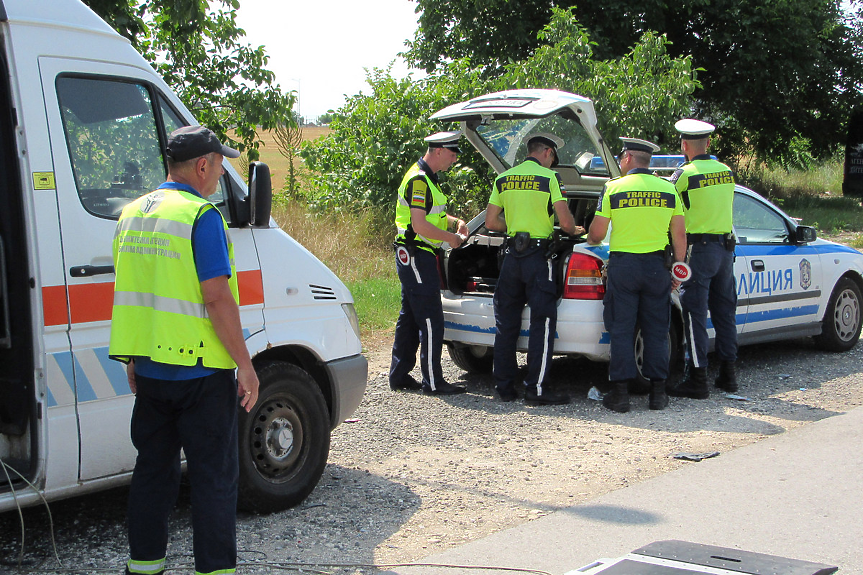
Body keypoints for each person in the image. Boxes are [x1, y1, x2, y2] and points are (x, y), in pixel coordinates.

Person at [109, 125, 260, 575]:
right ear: (201, 165)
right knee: (213, 480)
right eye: (219, 165)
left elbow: (138, 293)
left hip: (151, 374)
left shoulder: (131, 214)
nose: (219, 174)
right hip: (200, 374)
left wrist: (135, 358)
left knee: (153, 474)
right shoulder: (200, 216)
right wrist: (246, 366)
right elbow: (216, 298)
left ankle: (145, 566)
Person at [587, 137, 686, 412]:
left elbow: (596, 234)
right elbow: (679, 235)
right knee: (656, 330)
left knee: (621, 329)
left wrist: (590, 237)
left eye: (621, 157)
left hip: (624, 268)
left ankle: (620, 395)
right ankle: (657, 394)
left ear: (629, 157)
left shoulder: (613, 188)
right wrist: (679, 269)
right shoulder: (668, 190)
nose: (620, 162)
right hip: (657, 268)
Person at [485, 133, 580, 405]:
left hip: (512, 257)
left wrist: (515, 227)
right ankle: (536, 389)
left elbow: (491, 221)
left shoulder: (503, 179)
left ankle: (503, 387)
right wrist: (576, 229)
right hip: (538, 257)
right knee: (543, 322)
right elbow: (565, 224)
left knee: (506, 323)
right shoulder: (549, 179)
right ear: (548, 153)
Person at [390, 131, 469, 395]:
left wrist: (453, 221)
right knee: (431, 318)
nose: (455, 158)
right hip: (416, 254)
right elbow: (419, 224)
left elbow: (431, 215)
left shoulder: (427, 179)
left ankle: (399, 376)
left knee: (411, 316)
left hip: (417, 253)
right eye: (452, 152)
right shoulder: (420, 180)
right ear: (437, 150)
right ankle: (434, 382)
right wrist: (452, 238)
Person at [666, 119, 739, 399]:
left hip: (699, 250)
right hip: (724, 251)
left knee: (694, 314)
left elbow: (672, 213)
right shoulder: (726, 171)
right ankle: (729, 375)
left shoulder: (684, 174)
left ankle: (697, 377)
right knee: (724, 313)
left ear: (684, 145)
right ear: (708, 143)